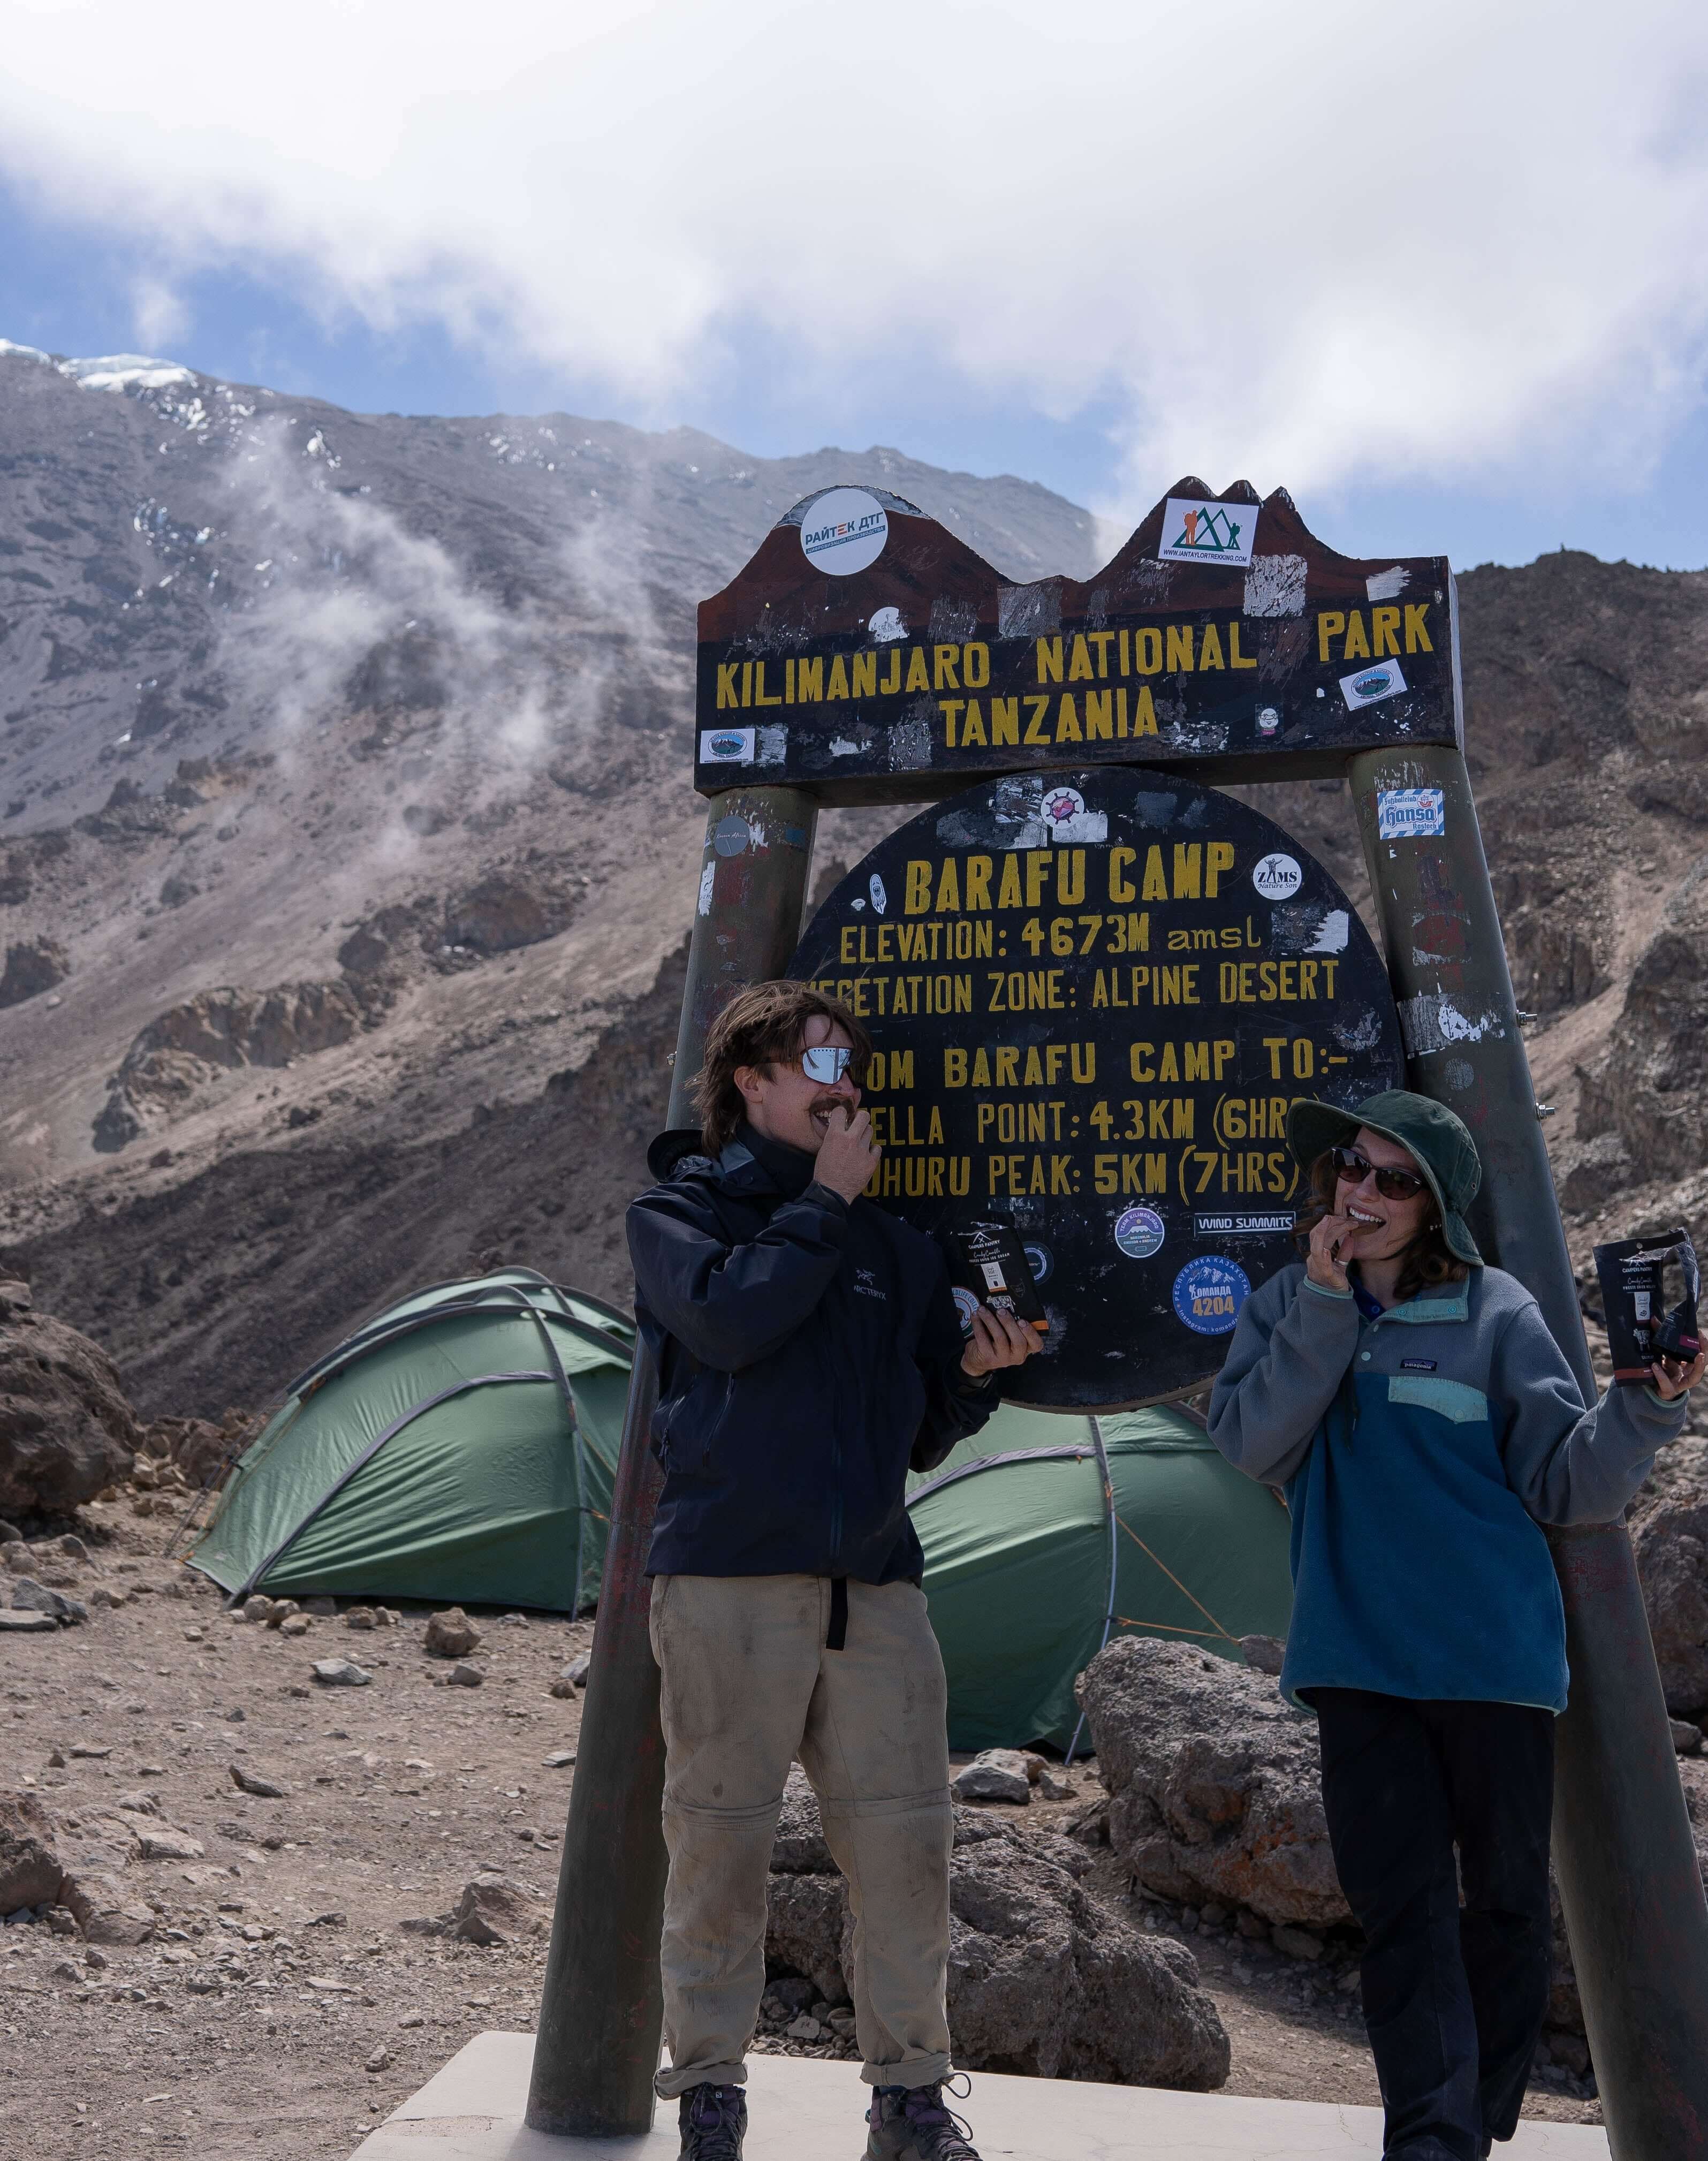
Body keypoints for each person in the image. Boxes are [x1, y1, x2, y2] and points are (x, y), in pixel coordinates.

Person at [1208, 1090, 1703, 2161]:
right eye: (1352, 1165)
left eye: (1394, 1179)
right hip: (1359, 1663)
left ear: (1435, 1207)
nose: (1363, 1192)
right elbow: (1251, 1444)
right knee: (1402, 1910)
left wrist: (1647, 1407)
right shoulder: (1291, 1304)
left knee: (1509, 1910)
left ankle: (1467, 2126)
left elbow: (1570, 1483)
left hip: (1495, 1661)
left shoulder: (1499, 1314)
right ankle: (1431, 2137)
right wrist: (1329, 1307)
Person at [627, 980, 1041, 2161]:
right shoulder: (679, 1214)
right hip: (726, 1586)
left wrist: (975, 1374)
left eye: (850, 1064)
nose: (843, 1081)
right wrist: (821, 1204)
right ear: (749, 1082)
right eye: (817, 1061)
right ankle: (710, 2099)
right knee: (720, 1842)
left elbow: (910, 1432)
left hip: (876, 1589)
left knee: (908, 1848)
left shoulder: (890, 1249)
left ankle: (910, 2105)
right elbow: (729, 1327)